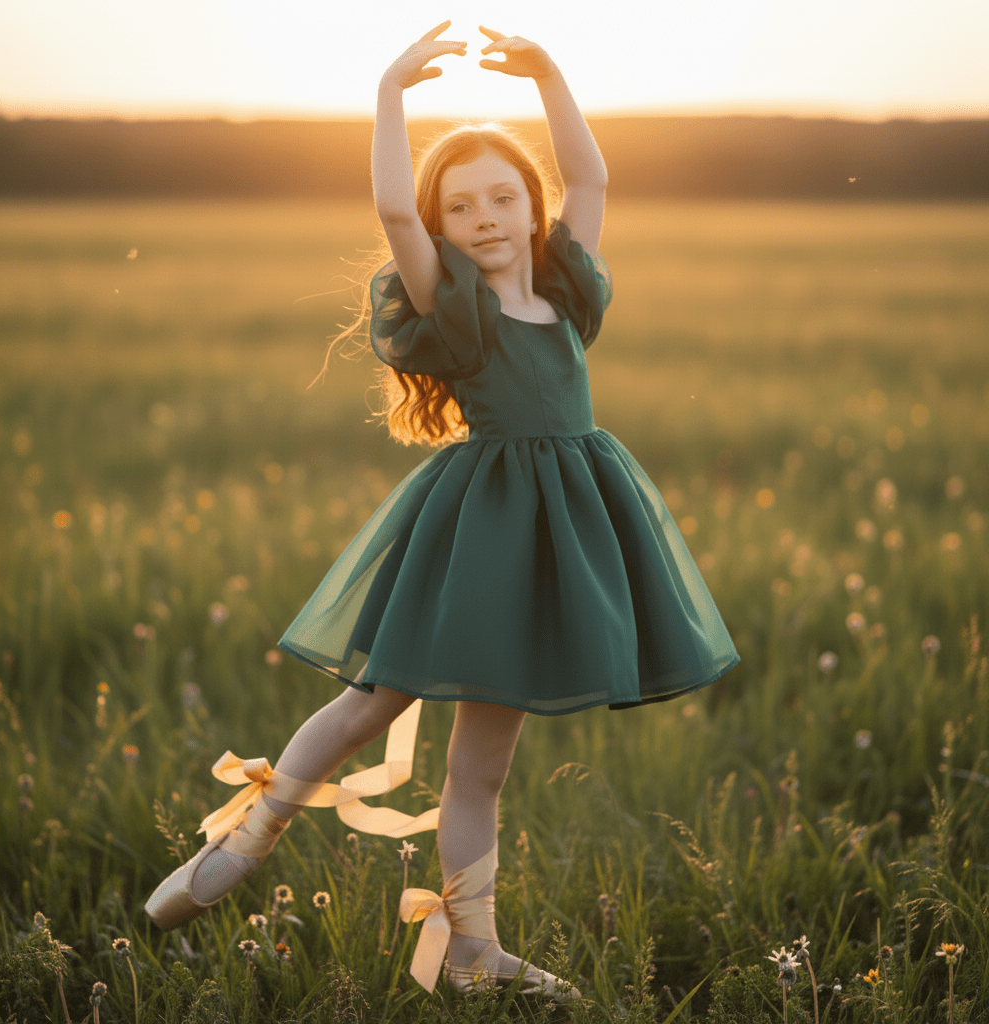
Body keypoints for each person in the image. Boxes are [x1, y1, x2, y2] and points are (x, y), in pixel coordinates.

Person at [145, 22, 739, 1001]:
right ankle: (241, 847)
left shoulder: (565, 287)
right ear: (443, 225)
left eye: (503, 196)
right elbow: (390, 204)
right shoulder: (454, 305)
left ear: (530, 204)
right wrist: (389, 91)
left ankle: (472, 951)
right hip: (477, 532)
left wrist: (549, 79)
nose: (486, 216)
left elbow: (591, 182)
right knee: (370, 701)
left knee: (481, 769)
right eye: (460, 206)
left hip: (557, 536)